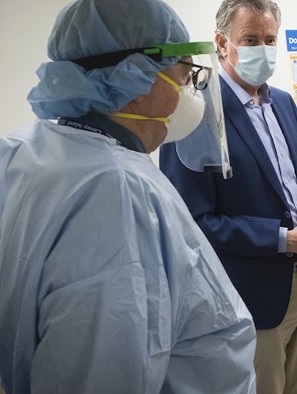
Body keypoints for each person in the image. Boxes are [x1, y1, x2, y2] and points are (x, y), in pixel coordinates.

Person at [0, 0, 257, 392]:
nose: (191, 91)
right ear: (138, 78)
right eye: (185, 75)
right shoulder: (118, 189)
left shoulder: (24, 150)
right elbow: (104, 371)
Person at [159, 1, 297, 393]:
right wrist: (282, 239)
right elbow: (193, 222)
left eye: (269, 39)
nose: (262, 49)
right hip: (253, 292)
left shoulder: (284, 102)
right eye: (250, 39)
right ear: (222, 44)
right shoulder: (195, 115)